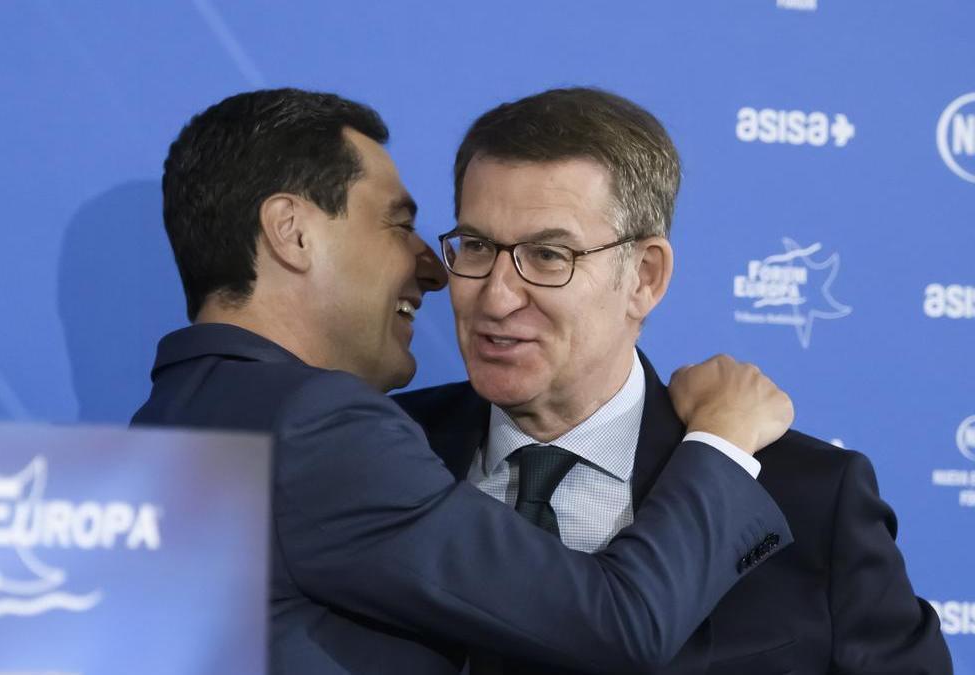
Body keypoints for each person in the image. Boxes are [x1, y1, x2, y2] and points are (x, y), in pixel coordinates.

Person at [132, 88, 795, 675]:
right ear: (292, 233)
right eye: (398, 223)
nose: (431, 264)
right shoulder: (319, 426)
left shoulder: (163, 421)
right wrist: (724, 441)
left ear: (644, 277)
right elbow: (622, 623)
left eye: (547, 254)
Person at [396, 87, 951, 674]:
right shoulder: (374, 453)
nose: (498, 296)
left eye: (549, 256)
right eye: (478, 246)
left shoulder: (808, 500)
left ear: (645, 277)